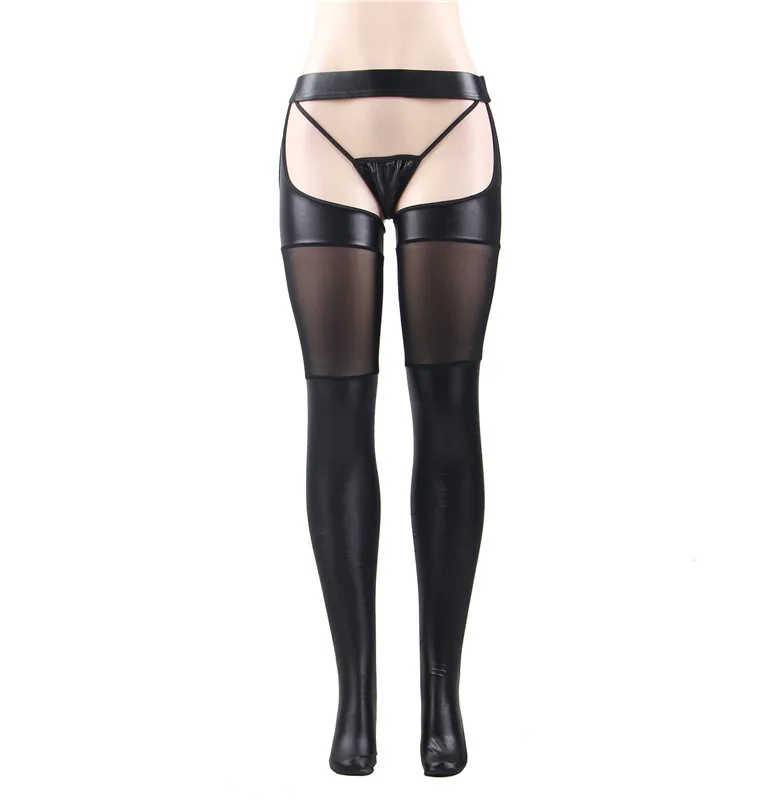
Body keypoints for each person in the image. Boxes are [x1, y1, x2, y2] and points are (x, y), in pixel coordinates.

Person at [279, 0, 501, 777]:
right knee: (336, 412)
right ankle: (355, 699)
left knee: (448, 412)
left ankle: (442, 697)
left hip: (451, 119)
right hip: (323, 124)